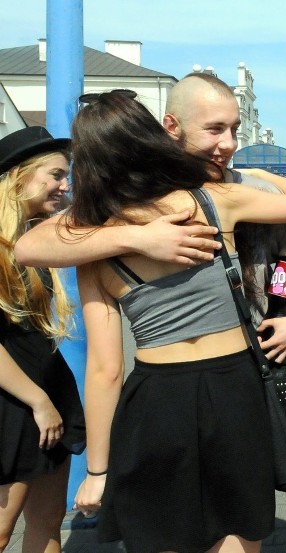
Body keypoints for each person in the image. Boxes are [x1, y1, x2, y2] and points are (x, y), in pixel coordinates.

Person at [15, 74, 286, 553]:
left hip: (156, 397)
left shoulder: (89, 247)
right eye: (216, 130)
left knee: (163, 535)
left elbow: (106, 370)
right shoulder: (213, 201)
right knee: (240, 530)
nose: (228, 144)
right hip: (237, 384)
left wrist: (97, 471)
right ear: (162, 136)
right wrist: (264, 179)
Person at [0, 127, 85, 553]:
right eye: (54, 175)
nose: (64, 184)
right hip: (15, 403)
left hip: (48, 395)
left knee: (48, 522)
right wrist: (38, 401)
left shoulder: (33, 242)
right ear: (18, 177)